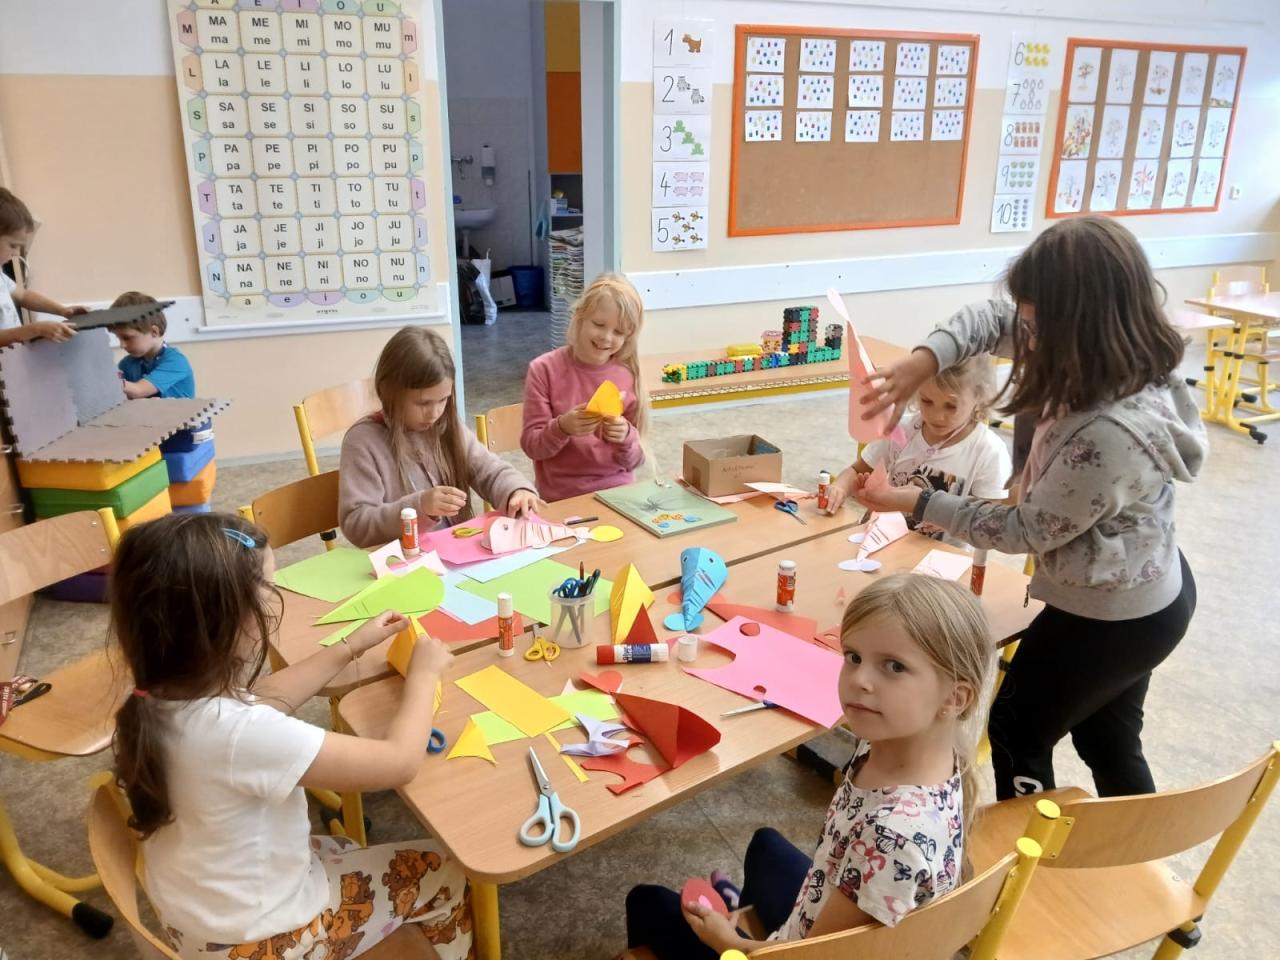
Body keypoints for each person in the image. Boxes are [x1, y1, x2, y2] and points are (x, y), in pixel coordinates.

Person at [852, 215, 1204, 800]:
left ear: (1079, 322)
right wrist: (924, 360)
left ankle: (1029, 856)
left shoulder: (1111, 431)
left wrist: (920, 500)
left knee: (1018, 729)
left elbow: (1026, 530)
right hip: (1145, 586)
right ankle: (1132, 843)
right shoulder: (1110, 348)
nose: (1025, 338)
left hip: (1113, 612)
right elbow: (992, 321)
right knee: (1108, 740)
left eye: (1036, 327)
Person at [111, 513, 472, 959]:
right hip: (265, 940)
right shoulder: (242, 736)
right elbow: (399, 762)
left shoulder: (159, 695)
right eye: (267, 586)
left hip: (204, 920)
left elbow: (260, 700)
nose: (274, 596)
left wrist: (349, 647)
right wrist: (424, 676)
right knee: (446, 870)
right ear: (227, 620)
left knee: (340, 847)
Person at [622, 575, 995, 959]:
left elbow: (812, 958)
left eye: (894, 666)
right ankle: (745, 914)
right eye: (853, 657)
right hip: (822, 905)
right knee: (766, 844)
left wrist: (728, 942)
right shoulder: (906, 743)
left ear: (955, 698)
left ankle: (738, 927)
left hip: (805, 952)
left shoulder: (893, 836)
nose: (860, 680)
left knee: (649, 902)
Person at [339, 326, 541, 547]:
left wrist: (516, 490)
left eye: (443, 400)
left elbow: (489, 470)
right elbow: (356, 524)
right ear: (388, 391)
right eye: (423, 403)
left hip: (454, 552)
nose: (434, 413)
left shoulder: (446, 426)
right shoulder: (363, 442)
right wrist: (420, 506)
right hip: (401, 560)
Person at [825, 354, 1011, 545]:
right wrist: (839, 487)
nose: (937, 416)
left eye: (951, 406)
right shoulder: (901, 429)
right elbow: (857, 470)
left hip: (940, 555)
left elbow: (988, 516)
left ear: (979, 396)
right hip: (881, 539)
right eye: (927, 401)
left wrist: (951, 519)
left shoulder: (989, 451)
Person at [520, 273, 649, 500]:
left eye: (618, 332)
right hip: (562, 496)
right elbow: (533, 446)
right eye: (599, 324)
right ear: (579, 316)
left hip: (618, 493)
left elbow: (636, 461)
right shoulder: (543, 369)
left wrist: (626, 436)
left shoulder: (628, 375)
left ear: (627, 337)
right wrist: (561, 428)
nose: (606, 337)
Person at [0, 187, 84, 346]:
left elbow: (22, 295)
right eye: (13, 245)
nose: (16, 253)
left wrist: (62, 310)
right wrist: (33, 330)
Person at [110, 291, 196, 399]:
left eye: (127, 337)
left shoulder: (176, 362)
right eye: (118, 338)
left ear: (154, 332)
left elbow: (139, 390)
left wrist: (106, 381)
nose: (122, 345)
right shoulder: (127, 364)